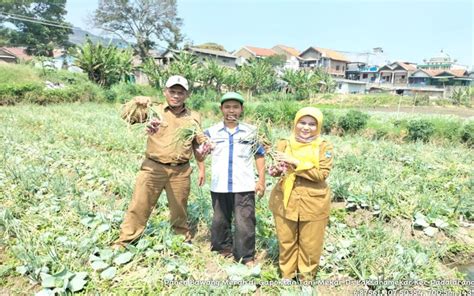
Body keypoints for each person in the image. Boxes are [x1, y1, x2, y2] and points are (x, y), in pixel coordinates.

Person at [114, 75, 206, 247]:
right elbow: (128, 117)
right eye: (172, 91)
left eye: (181, 92)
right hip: (153, 168)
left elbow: (197, 143)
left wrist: (202, 168)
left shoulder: (194, 116)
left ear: (187, 95)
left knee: (179, 209)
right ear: (165, 92)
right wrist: (136, 102)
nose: (176, 95)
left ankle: (180, 241)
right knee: (140, 204)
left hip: (180, 170)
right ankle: (126, 240)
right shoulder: (153, 110)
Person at [198, 92, 266, 266]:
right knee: (220, 220)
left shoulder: (252, 132)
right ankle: (223, 248)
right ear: (221, 109)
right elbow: (200, 154)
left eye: (235, 107)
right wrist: (202, 166)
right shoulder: (210, 132)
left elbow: (259, 155)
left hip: (243, 184)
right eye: (227, 107)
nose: (231, 110)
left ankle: (246, 256)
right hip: (219, 185)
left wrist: (261, 180)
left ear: (241, 109)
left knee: (245, 221)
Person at [268, 107, 334, 280]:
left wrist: (295, 162)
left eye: (312, 124)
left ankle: (306, 279)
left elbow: (321, 175)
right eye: (302, 122)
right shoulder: (284, 143)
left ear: (318, 126)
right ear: (295, 123)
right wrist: (275, 169)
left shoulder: (324, 147)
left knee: (310, 244)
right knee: (286, 241)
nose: (306, 127)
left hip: (313, 202)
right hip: (284, 199)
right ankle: (287, 277)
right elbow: (278, 170)